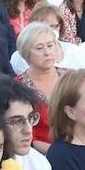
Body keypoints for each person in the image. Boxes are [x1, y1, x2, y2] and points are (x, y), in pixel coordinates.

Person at [14, 22, 67, 153]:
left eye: (50, 45)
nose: (47, 52)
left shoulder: (70, 77)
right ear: (26, 53)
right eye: (39, 48)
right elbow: (21, 132)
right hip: (39, 152)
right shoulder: (17, 87)